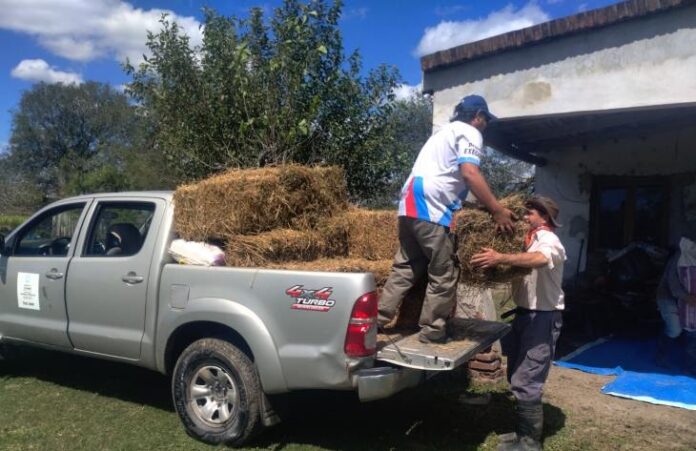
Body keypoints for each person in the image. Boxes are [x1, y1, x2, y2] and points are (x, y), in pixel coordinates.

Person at [378, 94, 516, 344]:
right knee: (443, 273)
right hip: (430, 207)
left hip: (409, 203)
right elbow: (470, 173)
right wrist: (497, 210)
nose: (485, 125)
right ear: (478, 117)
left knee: (405, 268)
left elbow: (451, 179)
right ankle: (432, 331)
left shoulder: (442, 133)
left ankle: (375, 320)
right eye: (485, 120)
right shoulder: (470, 132)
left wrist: (476, 205)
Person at [470, 196, 566, 451]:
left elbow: (540, 259)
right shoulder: (530, 238)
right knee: (516, 373)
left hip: (543, 317)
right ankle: (522, 434)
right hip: (524, 315)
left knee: (528, 377)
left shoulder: (549, 239)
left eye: (529, 213)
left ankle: (530, 443)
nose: (524, 217)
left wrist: (500, 257)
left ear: (544, 216)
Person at [655, 237, 696, 374]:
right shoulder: (680, 257)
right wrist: (687, 298)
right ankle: (661, 355)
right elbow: (673, 285)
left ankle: (690, 365)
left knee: (692, 330)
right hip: (669, 297)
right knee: (675, 329)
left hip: (689, 299)